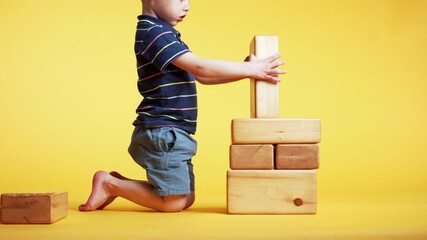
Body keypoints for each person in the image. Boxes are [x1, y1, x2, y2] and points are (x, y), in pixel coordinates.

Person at [79, 0, 286, 213]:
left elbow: (200, 76)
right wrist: (249, 68)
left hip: (175, 130)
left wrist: (244, 71)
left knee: (186, 198)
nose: (186, 6)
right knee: (174, 203)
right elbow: (201, 67)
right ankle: (109, 184)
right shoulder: (153, 33)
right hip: (163, 130)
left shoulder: (164, 33)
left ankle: (115, 182)